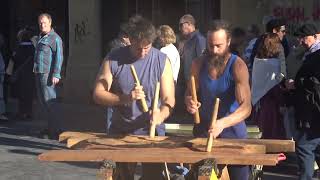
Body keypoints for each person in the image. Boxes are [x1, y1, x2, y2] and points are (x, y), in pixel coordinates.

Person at [93, 15, 175, 180]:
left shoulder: (161, 60)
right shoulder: (114, 58)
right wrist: (125, 98)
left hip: (152, 133)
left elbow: (169, 99)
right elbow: (98, 94)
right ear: (129, 40)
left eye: (148, 47)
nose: (144, 53)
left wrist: (161, 114)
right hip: (121, 131)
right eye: (139, 48)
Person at [184, 20, 251, 180]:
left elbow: (246, 107)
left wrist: (222, 123)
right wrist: (189, 102)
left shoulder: (238, 66)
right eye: (210, 45)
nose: (214, 50)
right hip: (204, 132)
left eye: (219, 46)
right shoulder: (198, 64)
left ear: (228, 42)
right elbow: (189, 91)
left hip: (233, 135)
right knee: (204, 177)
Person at [289, 23, 320, 180]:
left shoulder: (317, 55)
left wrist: (296, 83)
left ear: (316, 36)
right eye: (299, 37)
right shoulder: (310, 54)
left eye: (304, 37)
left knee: (305, 146)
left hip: (313, 112)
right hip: (312, 111)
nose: (301, 41)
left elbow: (315, 82)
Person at [33, 13, 64, 139]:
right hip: (38, 72)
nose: (42, 25)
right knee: (43, 103)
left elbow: (59, 57)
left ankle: (56, 130)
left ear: (50, 23)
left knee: (50, 102)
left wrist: (56, 73)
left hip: (48, 74)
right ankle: (49, 127)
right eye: (40, 22)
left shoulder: (55, 38)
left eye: (44, 22)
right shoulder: (41, 37)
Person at [251, 33, 286, 139]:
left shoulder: (257, 62)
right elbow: (275, 85)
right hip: (272, 102)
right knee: (274, 132)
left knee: (264, 131)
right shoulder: (274, 64)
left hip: (259, 101)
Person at [11, 28, 35, 120]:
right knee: (29, 94)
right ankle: (29, 113)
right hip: (30, 74)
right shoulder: (32, 47)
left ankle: (21, 112)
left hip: (20, 73)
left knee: (21, 94)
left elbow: (14, 59)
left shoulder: (18, 47)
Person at [178, 14, 206, 85]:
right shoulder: (187, 41)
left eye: (181, 25)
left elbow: (202, 61)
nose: (180, 28)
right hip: (187, 81)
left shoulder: (199, 39)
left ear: (189, 24)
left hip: (196, 82)